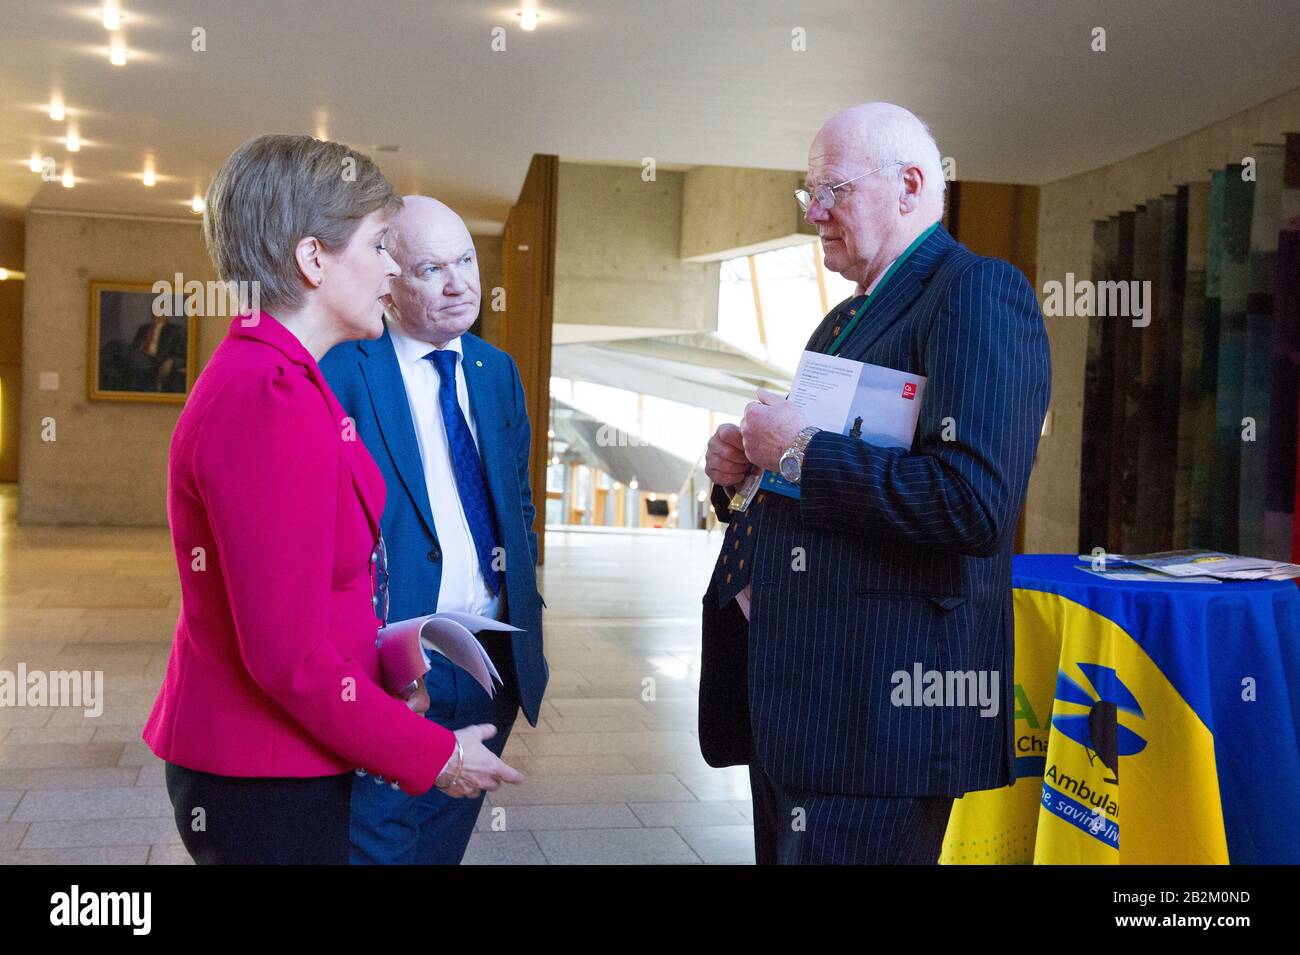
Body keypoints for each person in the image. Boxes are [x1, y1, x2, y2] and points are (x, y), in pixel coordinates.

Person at [142, 135, 522, 864]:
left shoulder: (286, 377)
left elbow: (312, 598)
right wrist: (433, 752)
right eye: (380, 246)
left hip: (284, 757)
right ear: (313, 259)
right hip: (262, 773)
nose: (392, 269)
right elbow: (285, 654)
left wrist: (384, 672)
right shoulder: (269, 397)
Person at [700, 103, 1052, 864]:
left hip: (878, 720)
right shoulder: (841, 322)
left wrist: (796, 450)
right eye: (809, 194)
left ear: (910, 186)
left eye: (833, 191)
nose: (815, 215)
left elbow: (973, 503)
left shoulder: (976, 293)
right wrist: (746, 476)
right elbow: (823, 490)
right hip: (804, 704)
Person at [321, 196, 548, 864]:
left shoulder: (495, 369)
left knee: (439, 846)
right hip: (398, 669)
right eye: (432, 269)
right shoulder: (343, 370)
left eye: (467, 261)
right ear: (390, 279)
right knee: (381, 842)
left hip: (490, 663)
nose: (461, 284)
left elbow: (518, 505)